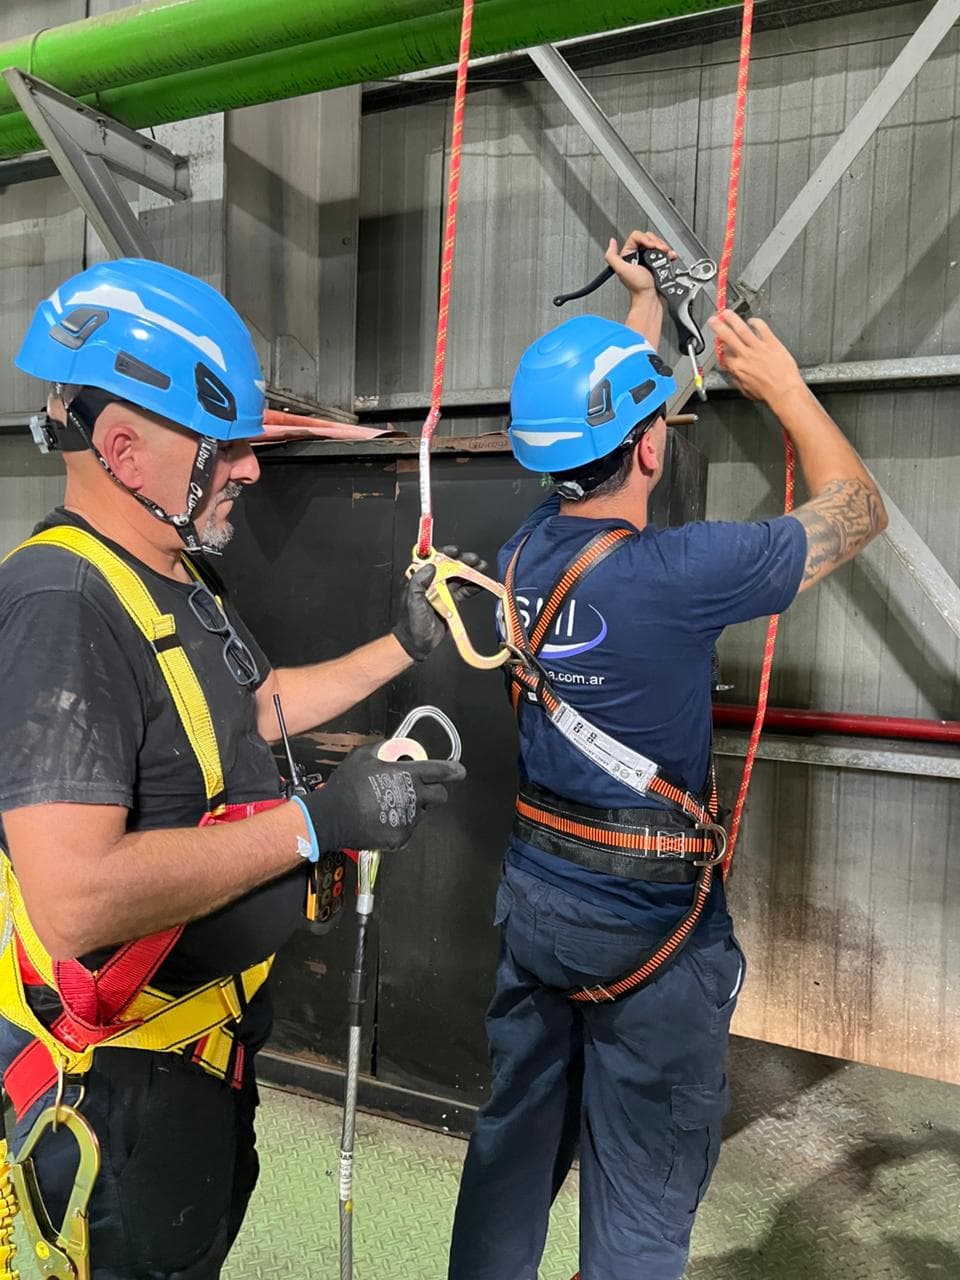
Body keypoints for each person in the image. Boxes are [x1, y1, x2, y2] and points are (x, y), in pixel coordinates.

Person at [0, 257, 470, 1279]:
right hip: (121, 1093)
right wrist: (313, 825)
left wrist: (401, 646)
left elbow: (250, 714)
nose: (251, 470)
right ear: (124, 452)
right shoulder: (62, 607)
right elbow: (75, 895)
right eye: (226, 449)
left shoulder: (170, 579)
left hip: (202, 1057)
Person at [448, 230, 887, 1280]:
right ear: (652, 448)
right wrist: (779, 385)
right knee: (641, 1197)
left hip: (542, 911)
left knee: (511, 1157)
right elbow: (856, 510)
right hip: (654, 932)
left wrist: (643, 308)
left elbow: (591, 437)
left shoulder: (522, 556)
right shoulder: (687, 571)